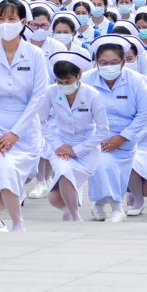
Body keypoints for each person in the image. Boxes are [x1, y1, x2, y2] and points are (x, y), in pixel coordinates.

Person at [0, 0, 50, 233]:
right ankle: (18, 223)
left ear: (23, 23)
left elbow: (39, 96)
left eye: (11, 19)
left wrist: (16, 132)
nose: (6, 23)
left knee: (12, 177)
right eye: (1, 18)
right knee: (4, 170)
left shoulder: (35, 54)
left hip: (25, 128)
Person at [83, 35, 147, 223]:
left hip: (126, 138)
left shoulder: (136, 81)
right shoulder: (87, 80)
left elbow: (144, 113)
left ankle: (99, 203)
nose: (108, 66)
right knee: (103, 165)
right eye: (103, 63)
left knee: (117, 174)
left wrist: (122, 137)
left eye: (114, 62)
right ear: (96, 63)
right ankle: (116, 208)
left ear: (123, 63)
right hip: (97, 138)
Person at [39, 50, 107, 222]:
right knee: (57, 191)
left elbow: (103, 130)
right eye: (59, 82)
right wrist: (57, 145)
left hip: (87, 148)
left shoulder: (93, 95)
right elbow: (41, 121)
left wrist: (76, 150)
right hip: (60, 146)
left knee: (58, 191)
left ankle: (73, 214)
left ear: (79, 75)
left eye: (67, 81)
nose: (63, 85)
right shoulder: (50, 92)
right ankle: (74, 214)